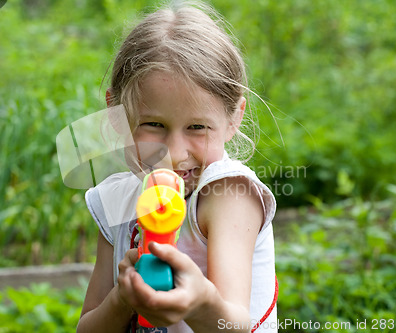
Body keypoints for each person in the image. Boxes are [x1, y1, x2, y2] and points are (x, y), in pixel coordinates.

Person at [77, 1, 277, 332]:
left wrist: (199, 304)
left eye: (197, 128)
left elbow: (236, 324)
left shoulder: (228, 193)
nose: (173, 152)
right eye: (153, 124)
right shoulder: (116, 200)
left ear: (234, 118)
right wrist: (123, 299)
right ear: (116, 114)